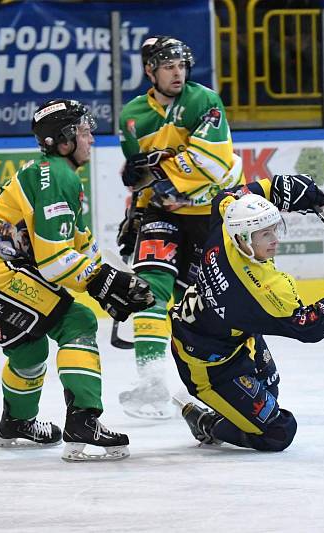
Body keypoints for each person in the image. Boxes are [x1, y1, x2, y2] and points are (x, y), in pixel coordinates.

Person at [0, 99, 154, 462]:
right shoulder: (58, 175)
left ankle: (17, 423)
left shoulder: (54, 172)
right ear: (63, 139)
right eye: (84, 132)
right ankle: (84, 422)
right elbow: (55, 261)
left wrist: (110, 278)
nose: (91, 139)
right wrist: (106, 283)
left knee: (29, 348)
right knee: (76, 320)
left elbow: (75, 241)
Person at [170, 174, 324, 452]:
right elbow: (308, 327)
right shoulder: (259, 290)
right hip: (207, 366)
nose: (275, 240)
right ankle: (206, 423)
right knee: (278, 432)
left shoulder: (224, 232)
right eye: (265, 234)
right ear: (242, 237)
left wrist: (277, 187)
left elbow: (226, 195)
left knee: (270, 389)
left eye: (274, 229)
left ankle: (231, 409)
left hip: (229, 336)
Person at [115, 35, 244, 419]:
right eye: (168, 65)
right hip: (160, 214)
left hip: (208, 215)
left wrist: (157, 171)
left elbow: (215, 162)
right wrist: (135, 209)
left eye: (182, 65)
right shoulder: (132, 116)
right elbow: (138, 176)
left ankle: (220, 382)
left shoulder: (203, 101)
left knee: (207, 304)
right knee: (149, 292)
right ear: (150, 70)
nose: (177, 72)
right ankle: (152, 382)